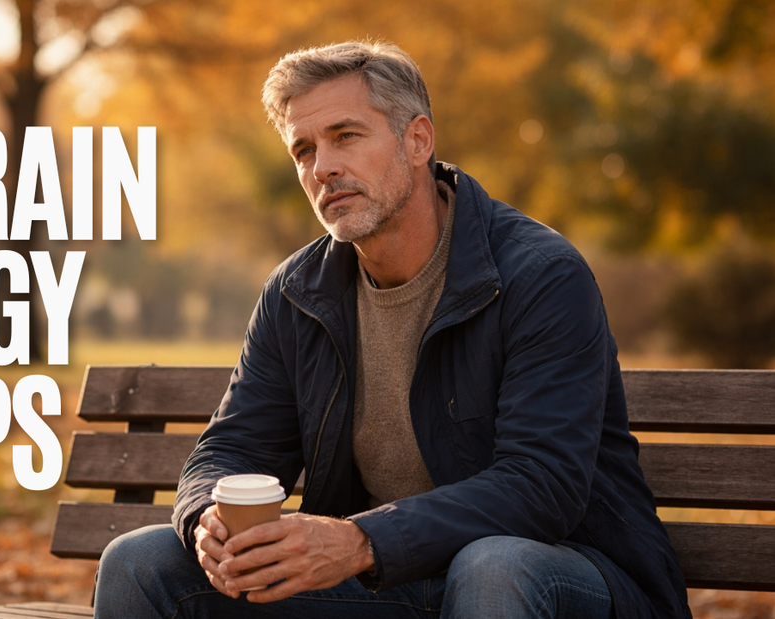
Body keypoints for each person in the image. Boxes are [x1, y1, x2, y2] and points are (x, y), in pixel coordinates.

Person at [93, 40, 691, 619]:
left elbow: (541, 487)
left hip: (563, 575)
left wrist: (358, 540)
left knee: (493, 566)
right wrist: (208, 521)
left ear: (417, 140)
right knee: (139, 562)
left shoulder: (541, 276)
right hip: (386, 585)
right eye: (303, 151)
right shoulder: (296, 294)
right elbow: (232, 449)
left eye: (345, 136)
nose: (323, 167)